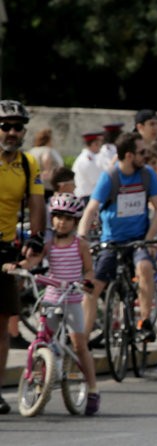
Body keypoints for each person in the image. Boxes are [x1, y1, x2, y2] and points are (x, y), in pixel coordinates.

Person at [4, 193, 99, 415]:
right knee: (43, 339)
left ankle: (93, 389)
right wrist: (18, 266)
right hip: (52, 297)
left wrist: (88, 283)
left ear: (75, 222)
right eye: (57, 217)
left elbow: (89, 269)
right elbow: (34, 260)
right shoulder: (48, 244)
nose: (61, 222)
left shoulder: (80, 245)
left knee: (79, 344)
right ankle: (40, 386)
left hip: (73, 297)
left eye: (67, 218)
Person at [77, 131, 157, 342]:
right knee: (93, 287)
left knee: (144, 268)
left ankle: (144, 322)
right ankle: (83, 339)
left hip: (139, 239)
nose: (146, 155)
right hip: (112, 240)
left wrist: (149, 238)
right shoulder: (110, 177)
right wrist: (81, 236)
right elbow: (91, 209)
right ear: (128, 155)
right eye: (141, 152)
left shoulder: (147, 174)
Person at [0, 100, 46, 413]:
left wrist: (36, 238)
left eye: (18, 127)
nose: (12, 132)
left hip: (6, 248)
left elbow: (37, 204)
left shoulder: (29, 164)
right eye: (6, 126)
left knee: (3, 324)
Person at [27, 127, 64, 200]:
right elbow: (46, 158)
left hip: (34, 184)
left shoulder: (32, 151)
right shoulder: (47, 150)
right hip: (48, 185)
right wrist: (47, 170)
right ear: (49, 139)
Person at [71, 131, 104, 201]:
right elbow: (97, 180)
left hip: (88, 196)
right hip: (87, 197)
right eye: (99, 144)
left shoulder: (90, 158)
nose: (100, 147)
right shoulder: (87, 160)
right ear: (94, 144)